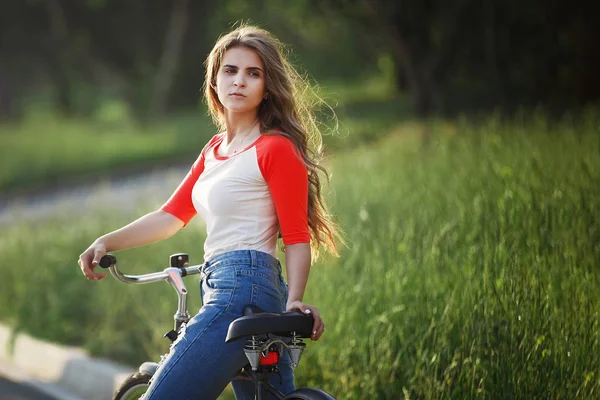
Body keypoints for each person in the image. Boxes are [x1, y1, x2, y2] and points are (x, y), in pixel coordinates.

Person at [78, 24, 341, 400]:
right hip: (225, 285)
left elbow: (297, 236)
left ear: (268, 87)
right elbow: (170, 216)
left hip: (242, 288)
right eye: (230, 71)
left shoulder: (274, 148)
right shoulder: (214, 150)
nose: (239, 81)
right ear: (214, 80)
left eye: (254, 74)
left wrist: (294, 300)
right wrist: (105, 241)